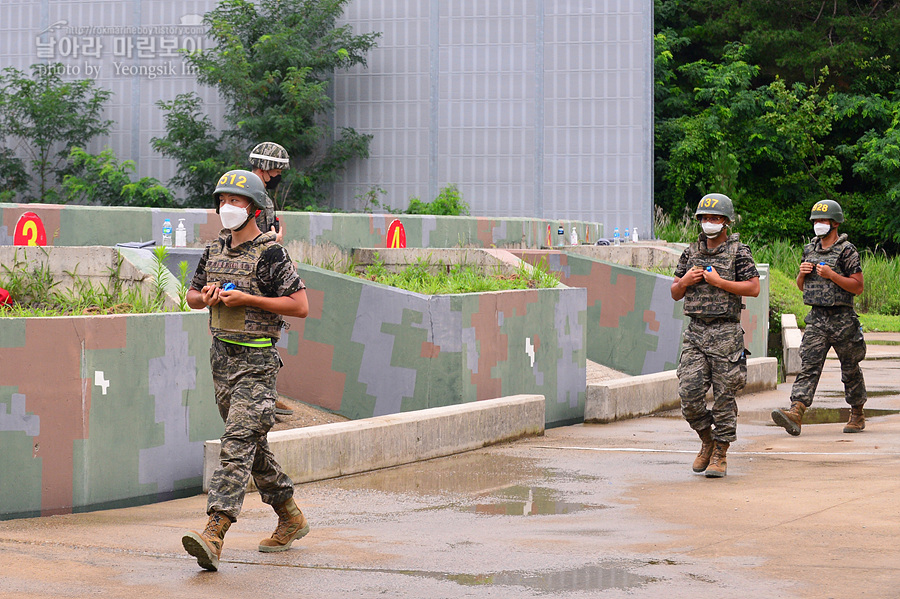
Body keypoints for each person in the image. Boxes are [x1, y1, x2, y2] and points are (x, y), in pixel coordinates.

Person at [181, 169, 310, 571]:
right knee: (252, 449)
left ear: (253, 209)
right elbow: (190, 296)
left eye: (235, 202)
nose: (227, 208)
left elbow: (300, 305)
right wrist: (206, 297)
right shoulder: (213, 251)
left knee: (236, 445)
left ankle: (214, 531)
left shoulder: (271, 253)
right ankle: (290, 516)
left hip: (257, 365)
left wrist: (250, 300)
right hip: (222, 360)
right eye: (222, 201)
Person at [671, 193, 760, 478]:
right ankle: (706, 440)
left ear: (725, 222)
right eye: (705, 218)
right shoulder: (690, 252)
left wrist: (720, 282)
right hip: (696, 332)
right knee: (689, 394)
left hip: (726, 333)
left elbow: (753, 287)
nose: (709, 223)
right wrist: (685, 281)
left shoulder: (739, 252)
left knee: (724, 399)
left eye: (715, 218)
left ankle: (720, 452)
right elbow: (675, 292)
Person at [772, 200, 867, 436]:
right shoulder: (809, 249)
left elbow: (858, 286)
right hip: (817, 318)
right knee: (809, 366)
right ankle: (796, 411)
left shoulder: (847, 251)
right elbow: (802, 286)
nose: (818, 225)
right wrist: (801, 275)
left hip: (843, 319)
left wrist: (832, 275)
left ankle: (857, 413)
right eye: (815, 221)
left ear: (834, 223)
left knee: (850, 368)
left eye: (823, 221)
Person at [249, 141, 294, 415]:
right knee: (263, 339)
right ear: (266, 168)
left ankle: (266, 395)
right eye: (276, 169)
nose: (278, 175)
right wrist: (275, 239)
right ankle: (263, 398)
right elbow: (252, 237)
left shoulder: (249, 190)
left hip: (259, 271)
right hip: (260, 275)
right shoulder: (258, 197)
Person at [249, 141, 290, 245]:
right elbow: (243, 237)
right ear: (262, 170)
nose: (279, 176)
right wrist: (271, 238)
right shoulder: (248, 196)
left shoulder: (262, 195)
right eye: (277, 172)